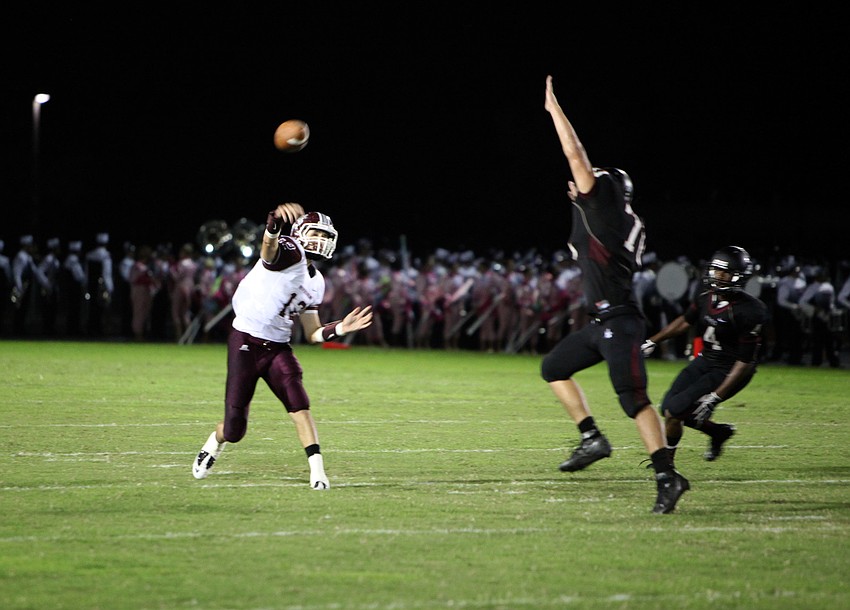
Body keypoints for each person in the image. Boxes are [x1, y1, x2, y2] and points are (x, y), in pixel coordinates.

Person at [541, 75, 688, 514]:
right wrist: (580, 201)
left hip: (620, 322)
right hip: (603, 322)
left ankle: (667, 474)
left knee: (634, 400)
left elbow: (575, 154)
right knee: (554, 367)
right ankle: (592, 437)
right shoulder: (611, 216)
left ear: (607, 191)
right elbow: (588, 223)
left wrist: (555, 111)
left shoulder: (606, 210)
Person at [192, 203, 373, 489]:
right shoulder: (290, 250)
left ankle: (317, 472)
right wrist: (273, 224)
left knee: (299, 403)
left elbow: (313, 332)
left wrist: (339, 328)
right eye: (316, 234)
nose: (321, 241)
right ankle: (215, 441)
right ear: (300, 233)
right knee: (235, 429)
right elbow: (268, 249)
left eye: (326, 237)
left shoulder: (318, 282)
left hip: (277, 347)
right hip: (246, 342)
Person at [642, 246, 769, 463]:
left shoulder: (751, 310)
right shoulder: (705, 296)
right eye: (716, 271)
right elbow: (685, 321)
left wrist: (716, 397)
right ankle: (718, 432)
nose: (718, 277)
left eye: (725, 273)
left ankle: (666, 462)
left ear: (739, 277)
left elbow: (745, 362)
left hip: (730, 369)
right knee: (669, 409)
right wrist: (653, 340)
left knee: (677, 410)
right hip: (706, 360)